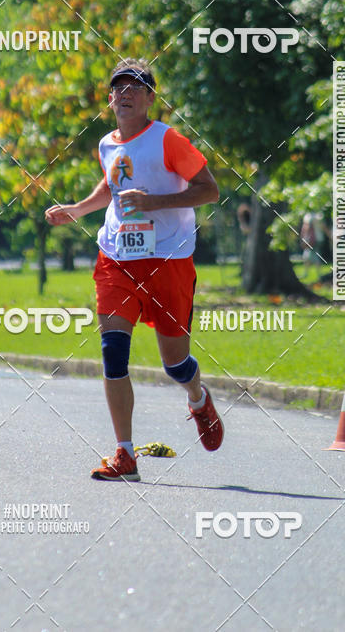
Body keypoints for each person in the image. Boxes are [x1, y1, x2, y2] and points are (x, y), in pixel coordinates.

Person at [45, 58, 224, 481]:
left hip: (168, 261)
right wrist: (78, 209)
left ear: (150, 98)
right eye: (118, 87)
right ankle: (125, 454)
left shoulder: (168, 140)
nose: (125, 93)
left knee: (175, 364)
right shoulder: (108, 143)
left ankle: (198, 399)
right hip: (116, 259)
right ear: (109, 99)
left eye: (135, 87)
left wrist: (154, 203)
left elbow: (209, 190)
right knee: (113, 353)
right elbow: (111, 185)